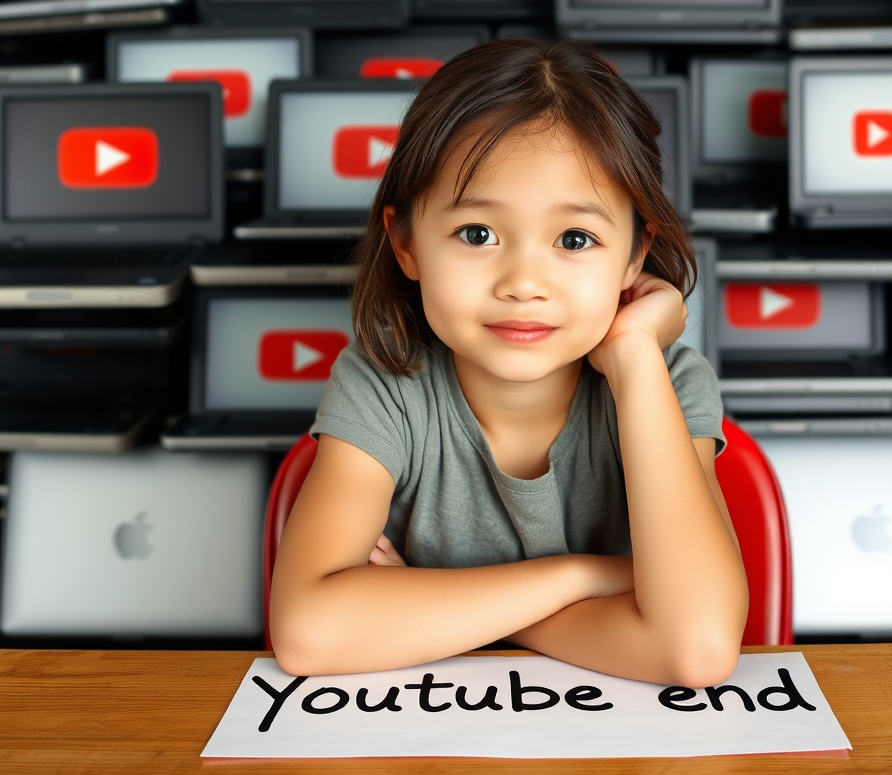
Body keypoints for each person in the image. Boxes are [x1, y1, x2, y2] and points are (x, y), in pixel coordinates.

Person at [270, 39, 748, 685]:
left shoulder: (666, 383)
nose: (524, 282)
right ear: (406, 243)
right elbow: (309, 634)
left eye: (575, 239)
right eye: (478, 235)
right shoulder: (383, 382)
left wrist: (635, 355)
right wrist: (590, 578)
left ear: (635, 258)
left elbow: (695, 649)